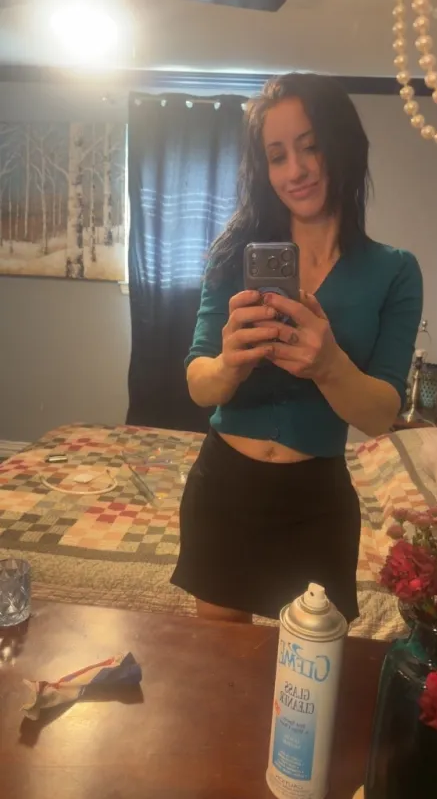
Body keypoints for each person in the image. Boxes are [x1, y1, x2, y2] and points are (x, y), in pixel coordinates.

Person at [170, 72, 423, 625]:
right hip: (224, 491)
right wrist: (229, 364)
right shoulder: (233, 254)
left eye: (311, 147)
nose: (296, 170)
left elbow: (380, 413)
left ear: (343, 146)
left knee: (311, 670)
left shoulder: (394, 271)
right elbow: (198, 382)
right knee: (222, 666)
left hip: (317, 503)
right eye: (277, 155)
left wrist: (329, 365)